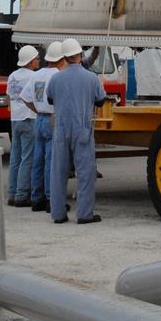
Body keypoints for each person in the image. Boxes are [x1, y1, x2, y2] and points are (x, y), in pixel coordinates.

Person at [48, 38, 107, 224]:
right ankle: (84, 214)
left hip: (61, 129)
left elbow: (50, 100)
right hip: (82, 129)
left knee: (58, 172)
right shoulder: (91, 77)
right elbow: (100, 100)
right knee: (85, 172)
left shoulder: (55, 78)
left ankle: (58, 214)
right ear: (80, 54)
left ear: (64, 57)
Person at [24, 42, 65, 211]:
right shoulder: (58, 75)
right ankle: (50, 199)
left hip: (39, 118)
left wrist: (38, 109)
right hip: (52, 118)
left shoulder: (36, 75)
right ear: (62, 59)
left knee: (38, 160)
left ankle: (36, 198)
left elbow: (25, 97)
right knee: (51, 161)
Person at [4, 46, 39, 206]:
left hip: (15, 119)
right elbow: (38, 98)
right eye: (37, 58)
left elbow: (8, 97)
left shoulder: (12, 76)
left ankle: (12, 194)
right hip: (29, 117)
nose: (38, 61)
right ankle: (22, 195)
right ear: (31, 60)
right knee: (27, 158)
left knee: (15, 158)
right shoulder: (34, 76)